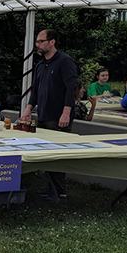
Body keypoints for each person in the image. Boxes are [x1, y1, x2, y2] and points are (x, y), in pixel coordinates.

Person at [20, 29, 78, 199]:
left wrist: (66, 112)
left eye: (41, 41)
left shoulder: (65, 61)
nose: (38, 45)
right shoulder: (40, 65)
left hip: (59, 115)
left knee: (57, 154)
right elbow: (35, 90)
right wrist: (28, 109)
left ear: (52, 42)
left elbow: (71, 88)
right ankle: (50, 188)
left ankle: (59, 191)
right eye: (37, 42)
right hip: (44, 115)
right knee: (46, 152)